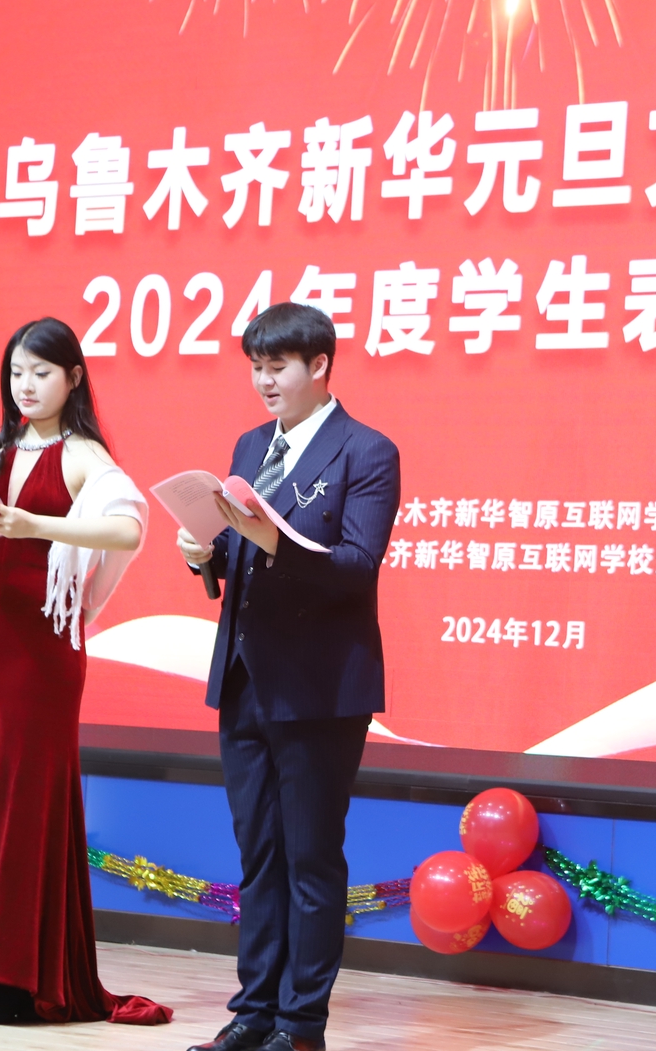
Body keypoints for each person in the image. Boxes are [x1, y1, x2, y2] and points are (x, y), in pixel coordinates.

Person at [0, 317, 170, 1026]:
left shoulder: (81, 454)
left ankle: (15, 979)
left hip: (40, 651)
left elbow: (130, 526)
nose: (26, 385)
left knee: (21, 806)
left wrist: (35, 525)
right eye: (17, 371)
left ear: (73, 378)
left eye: (41, 372)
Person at [178, 303, 400, 1051]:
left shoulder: (366, 451)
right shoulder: (251, 444)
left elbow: (357, 568)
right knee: (259, 856)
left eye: (277, 367)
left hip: (319, 687)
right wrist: (206, 554)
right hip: (244, 677)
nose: (264, 381)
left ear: (320, 365)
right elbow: (239, 556)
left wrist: (271, 539)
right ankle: (254, 1013)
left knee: (310, 858)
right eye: (256, 368)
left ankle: (301, 1025)